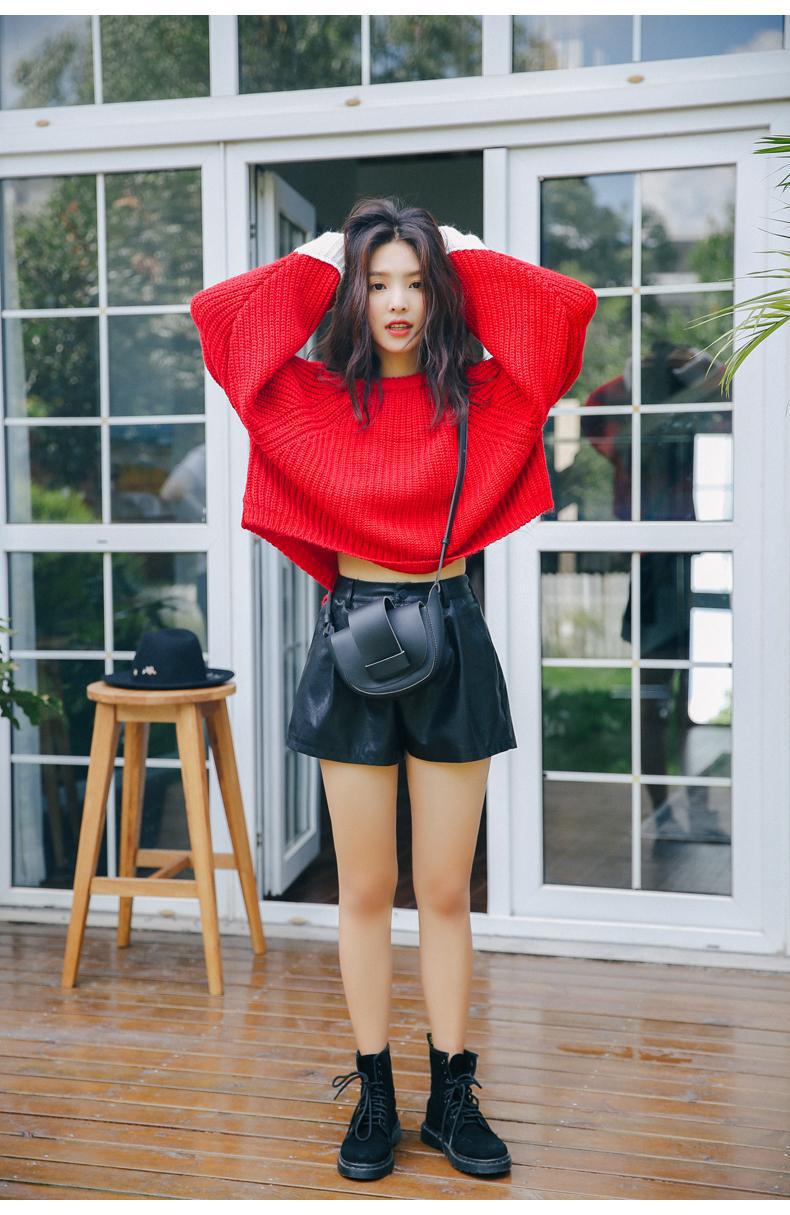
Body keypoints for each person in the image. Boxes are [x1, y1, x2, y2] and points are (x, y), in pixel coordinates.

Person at [189, 197, 597, 1181]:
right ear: (354, 295)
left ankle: (452, 1097)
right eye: (379, 285)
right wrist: (333, 250)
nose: (399, 302)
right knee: (366, 887)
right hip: (352, 638)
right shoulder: (312, 401)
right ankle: (374, 1093)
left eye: (415, 284)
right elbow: (224, 321)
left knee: (446, 889)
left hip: (451, 632)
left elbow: (562, 313)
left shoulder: (485, 399)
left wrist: (456, 249)